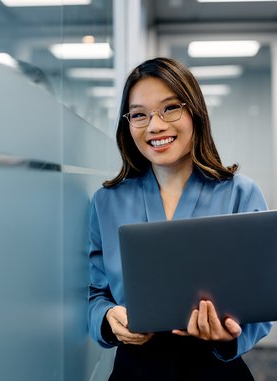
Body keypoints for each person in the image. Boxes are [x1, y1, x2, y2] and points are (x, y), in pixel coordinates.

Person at [88, 57, 272, 380]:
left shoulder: (240, 194)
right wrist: (107, 316)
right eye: (139, 114)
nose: (155, 126)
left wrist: (230, 336)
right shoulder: (106, 202)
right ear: (127, 123)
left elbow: (265, 297)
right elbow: (93, 293)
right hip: (135, 370)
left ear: (195, 112)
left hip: (216, 370)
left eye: (170, 108)